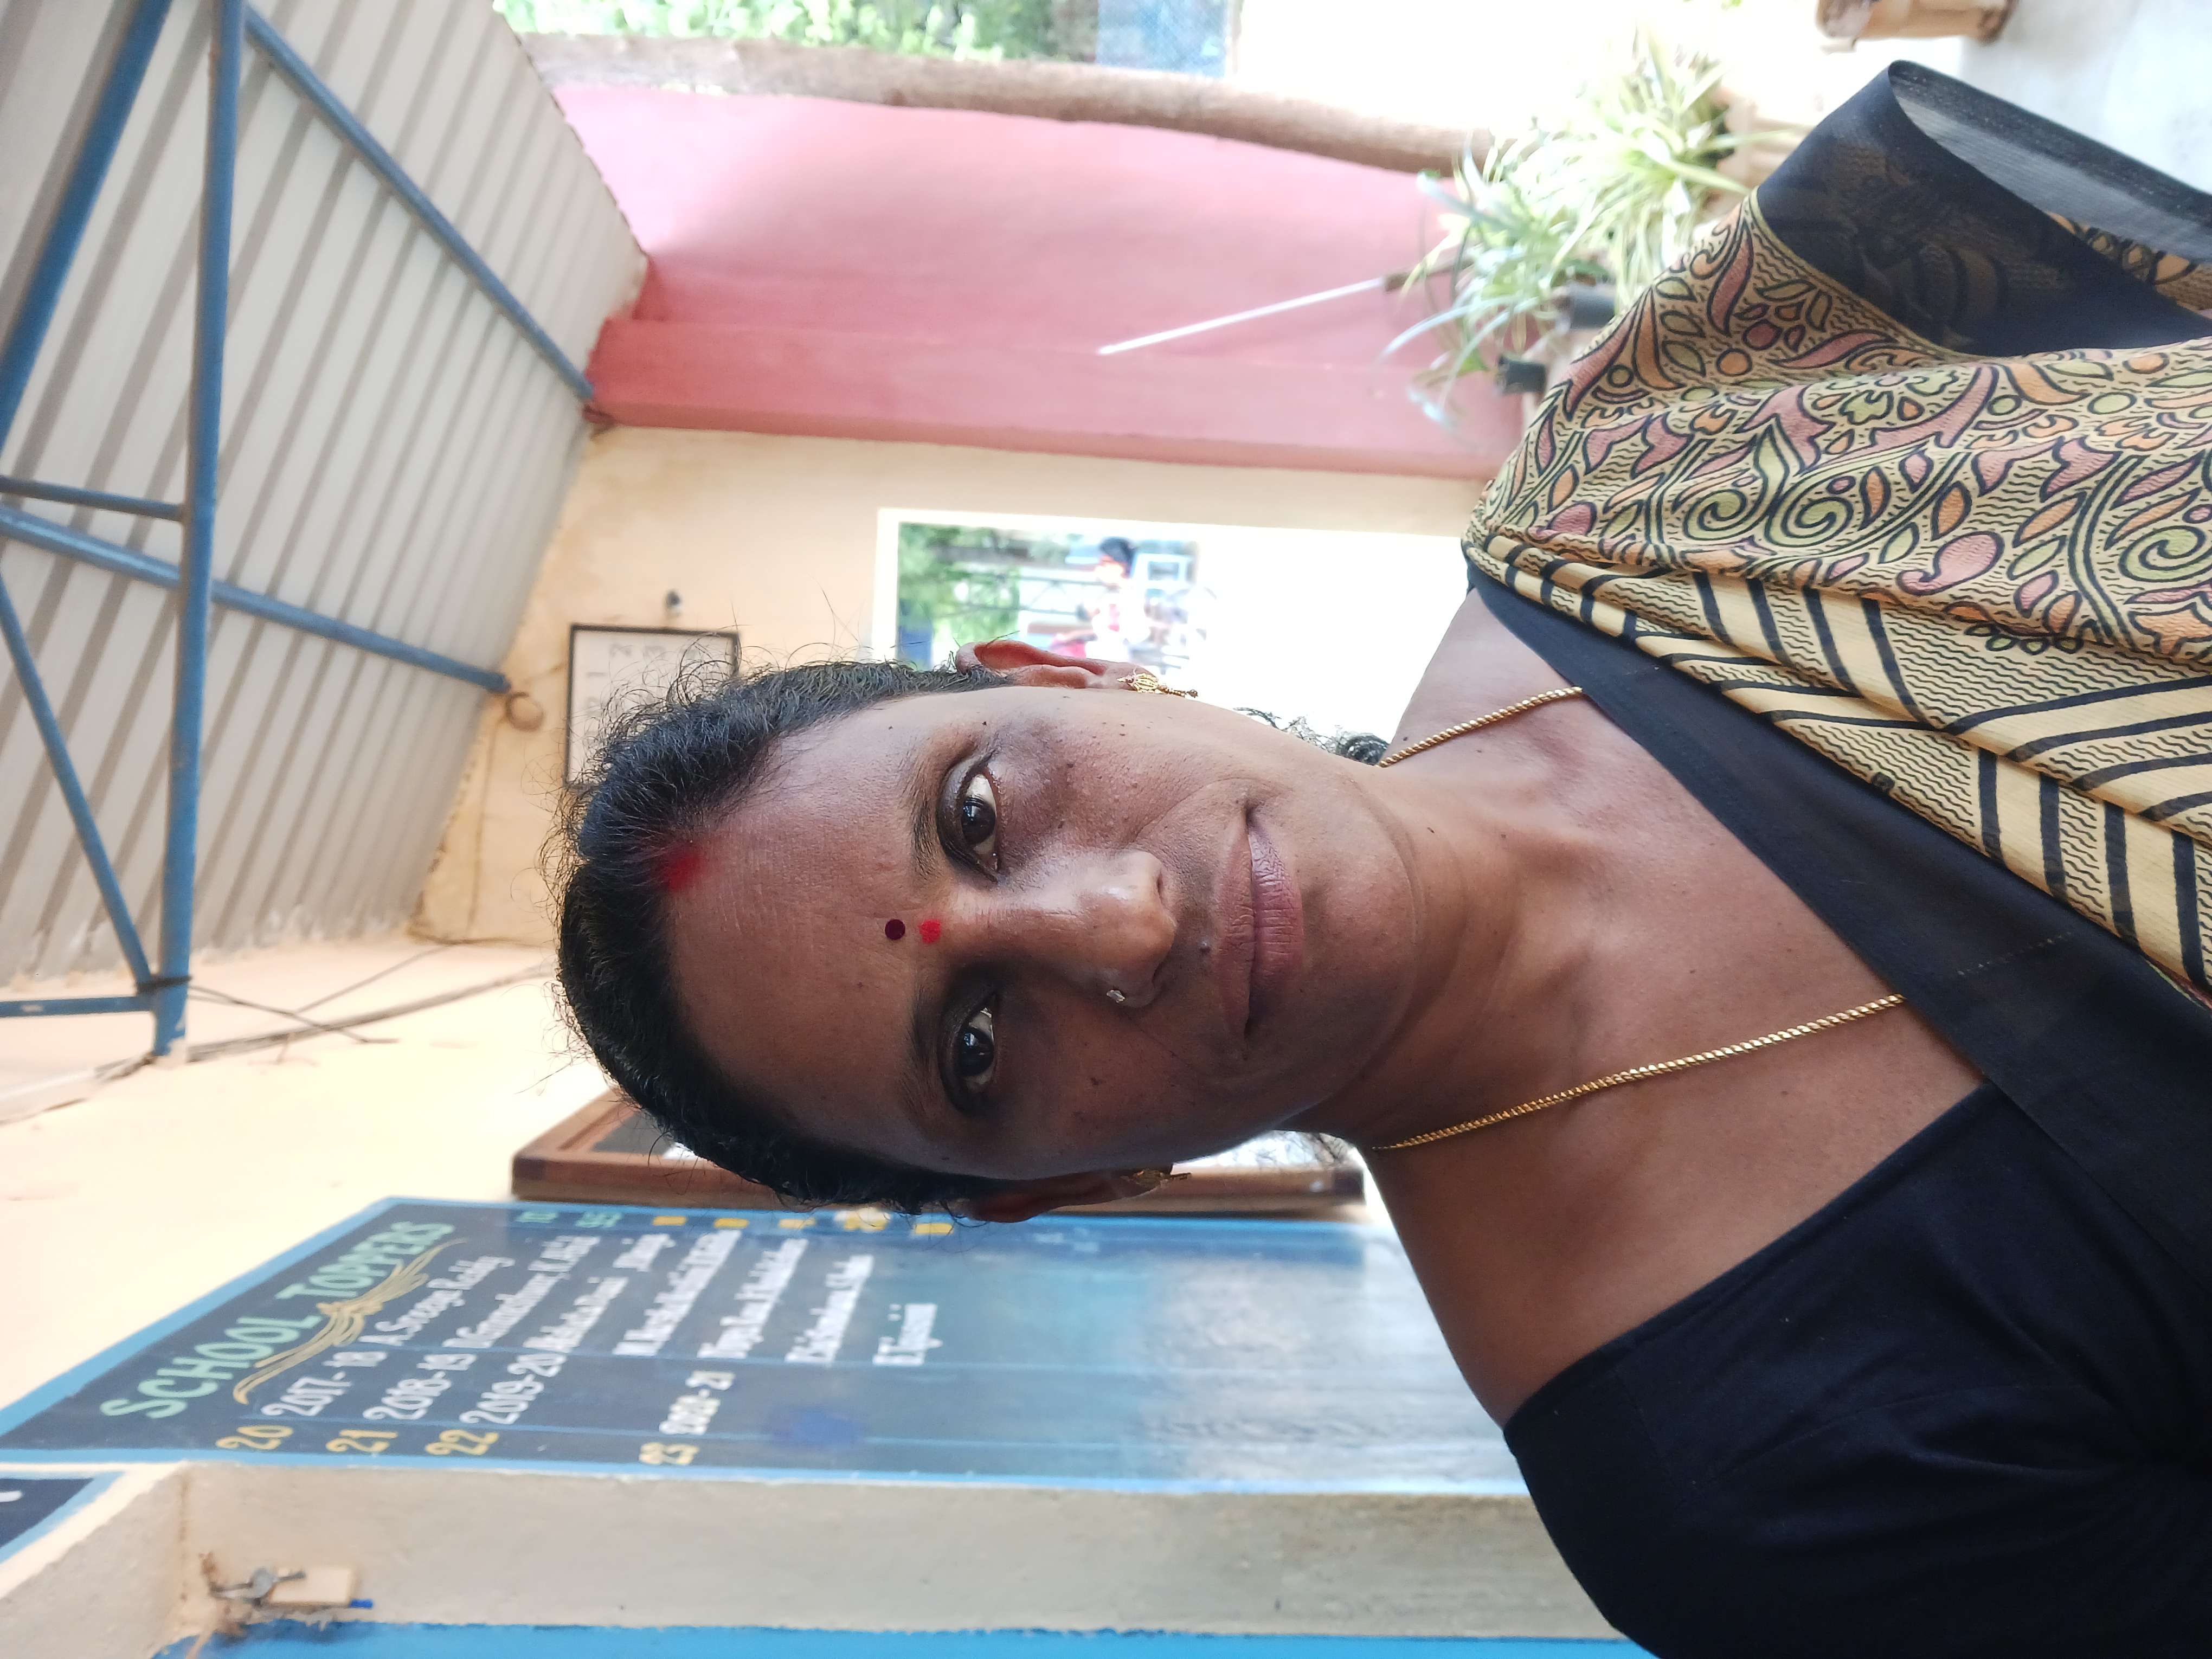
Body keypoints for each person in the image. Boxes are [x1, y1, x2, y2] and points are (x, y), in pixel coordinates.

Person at [551, 66, 2212, 1657]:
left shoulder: (1687, 450)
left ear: (1070, 671)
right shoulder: (1742, 1486)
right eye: (976, 1046)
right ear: (1057, 1187)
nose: (1121, 922)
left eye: (979, 814)